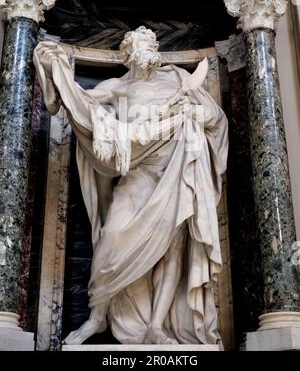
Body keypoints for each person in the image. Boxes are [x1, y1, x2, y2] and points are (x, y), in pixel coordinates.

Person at [33, 26, 228, 345]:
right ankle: (96, 319)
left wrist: (190, 112)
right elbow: (81, 106)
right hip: (137, 175)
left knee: (170, 253)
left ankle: (155, 326)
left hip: (176, 173)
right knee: (111, 239)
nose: (150, 48)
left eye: (152, 43)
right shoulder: (117, 88)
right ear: (128, 53)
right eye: (142, 43)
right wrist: (57, 69)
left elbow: (214, 117)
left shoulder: (177, 79)